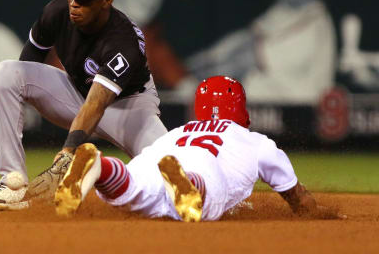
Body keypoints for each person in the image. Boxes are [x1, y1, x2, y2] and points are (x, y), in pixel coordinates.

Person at [0, 0, 168, 210]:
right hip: (76, 95)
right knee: (6, 71)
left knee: (172, 169)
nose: (75, 3)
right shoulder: (57, 11)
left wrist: (67, 153)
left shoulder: (124, 41)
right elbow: (30, 58)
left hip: (129, 109)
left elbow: (97, 103)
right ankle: (11, 184)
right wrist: (5, 102)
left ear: (106, 1)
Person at [54, 75, 342, 222]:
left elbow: (153, 154)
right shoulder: (256, 142)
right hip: (203, 166)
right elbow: (300, 202)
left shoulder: (179, 130)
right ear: (241, 109)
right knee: (202, 203)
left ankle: (101, 167)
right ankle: (190, 184)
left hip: (159, 155)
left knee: (133, 191)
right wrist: (326, 215)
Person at [147, 0, 336, 105]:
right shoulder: (283, 12)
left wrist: (185, 80)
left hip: (300, 112)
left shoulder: (316, 24)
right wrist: (187, 68)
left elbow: (246, 59)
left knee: (233, 80)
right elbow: (239, 42)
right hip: (264, 107)